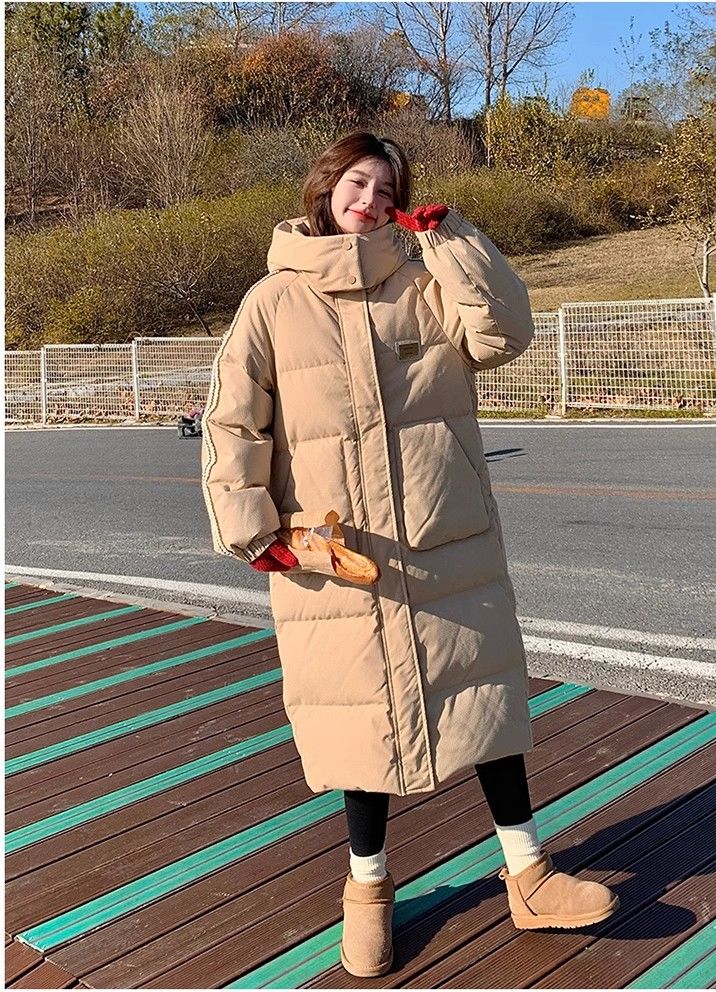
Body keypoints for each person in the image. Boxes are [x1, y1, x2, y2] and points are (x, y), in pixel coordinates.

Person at [200, 131, 619, 978]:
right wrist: (257, 532)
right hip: (335, 554)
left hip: (445, 535)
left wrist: (454, 238)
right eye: (358, 182)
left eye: (387, 189)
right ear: (327, 186)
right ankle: (368, 890)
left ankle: (529, 874)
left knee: (485, 700)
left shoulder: (427, 281)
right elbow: (233, 422)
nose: (371, 200)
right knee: (359, 724)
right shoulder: (272, 301)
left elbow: (503, 334)